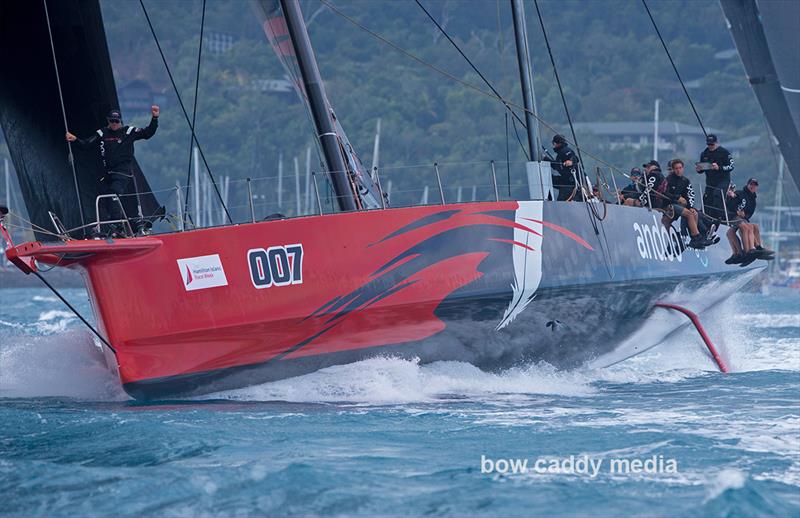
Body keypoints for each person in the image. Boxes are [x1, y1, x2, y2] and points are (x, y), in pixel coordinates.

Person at [66, 106, 159, 236]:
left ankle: (118, 224)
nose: (114, 124)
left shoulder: (129, 131)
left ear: (120, 121)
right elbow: (86, 144)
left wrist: (154, 118)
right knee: (103, 198)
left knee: (113, 193)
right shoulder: (102, 133)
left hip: (123, 172)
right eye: (111, 121)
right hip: (108, 174)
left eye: (116, 121)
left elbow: (148, 133)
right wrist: (75, 140)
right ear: (108, 121)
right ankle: (109, 228)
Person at [661, 158, 713, 249]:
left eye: (680, 168)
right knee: (688, 214)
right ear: (673, 169)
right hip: (669, 205)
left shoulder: (685, 181)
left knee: (694, 212)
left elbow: (689, 195)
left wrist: (690, 206)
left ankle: (694, 241)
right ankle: (696, 237)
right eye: (676, 168)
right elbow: (664, 193)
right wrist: (677, 198)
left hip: (679, 206)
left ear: (683, 168)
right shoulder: (668, 180)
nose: (678, 170)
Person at [724, 178, 774, 265]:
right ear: (748, 184)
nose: (752, 186)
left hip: (741, 218)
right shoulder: (739, 193)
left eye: (754, 185)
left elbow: (749, 213)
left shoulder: (753, 201)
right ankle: (748, 251)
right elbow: (729, 204)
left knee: (754, 226)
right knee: (745, 227)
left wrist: (744, 215)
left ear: (756, 187)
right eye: (751, 184)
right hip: (733, 216)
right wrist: (732, 198)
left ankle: (758, 248)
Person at [695, 134, 733, 222]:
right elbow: (702, 170)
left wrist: (719, 167)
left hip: (723, 180)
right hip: (710, 181)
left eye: (712, 144)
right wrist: (699, 169)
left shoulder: (724, 152)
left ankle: (723, 217)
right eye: (708, 144)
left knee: (717, 194)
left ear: (716, 143)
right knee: (707, 199)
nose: (710, 146)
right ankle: (706, 219)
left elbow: (731, 167)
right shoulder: (704, 153)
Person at [550, 134, 581, 201]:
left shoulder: (565, 151)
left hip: (570, 184)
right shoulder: (560, 154)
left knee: (561, 202)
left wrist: (571, 161)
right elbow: (556, 166)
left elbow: (575, 158)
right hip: (565, 180)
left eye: (554, 143)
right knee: (549, 179)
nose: (554, 145)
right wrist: (546, 159)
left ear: (557, 143)